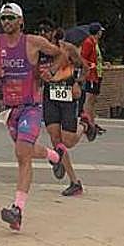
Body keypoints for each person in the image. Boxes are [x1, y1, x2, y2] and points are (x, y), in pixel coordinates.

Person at [0, 3, 68, 231]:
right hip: (10, 109)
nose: (6, 22)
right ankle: (55, 155)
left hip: (31, 106)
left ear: (20, 21)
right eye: (3, 18)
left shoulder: (34, 43)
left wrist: (51, 72)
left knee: (21, 154)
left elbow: (61, 54)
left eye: (10, 18)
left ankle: (17, 209)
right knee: (24, 148)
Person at [37, 20, 86, 197]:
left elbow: (84, 67)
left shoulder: (67, 49)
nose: (43, 34)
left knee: (68, 142)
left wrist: (78, 83)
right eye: (40, 31)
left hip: (68, 92)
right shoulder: (38, 52)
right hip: (50, 94)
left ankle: (85, 127)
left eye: (46, 31)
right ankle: (74, 182)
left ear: (54, 32)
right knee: (55, 138)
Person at [76, 22, 106, 139]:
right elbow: (82, 58)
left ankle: (92, 122)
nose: (101, 33)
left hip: (97, 74)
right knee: (89, 100)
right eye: (100, 31)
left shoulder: (95, 42)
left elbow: (96, 58)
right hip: (91, 75)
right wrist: (90, 65)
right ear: (97, 32)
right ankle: (88, 123)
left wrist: (102, 64)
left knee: (93, 100)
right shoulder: (88, 42)